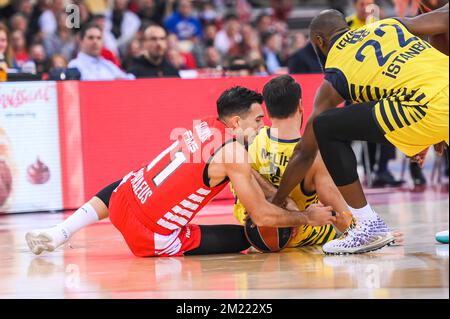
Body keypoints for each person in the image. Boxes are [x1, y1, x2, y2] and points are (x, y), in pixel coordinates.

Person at [25, 87, 336, 257]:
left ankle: (60, 232)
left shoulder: (206, 124)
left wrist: (276, 195)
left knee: (130, 180)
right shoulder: (234, 153)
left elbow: (242, 171)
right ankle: (60, 233)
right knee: (253, 236)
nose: (263, 125)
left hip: (122, 202)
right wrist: (307, 217)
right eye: (257, 120)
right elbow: (264, 216)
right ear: (237, 123)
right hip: (151, 237)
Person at [271, 6, 449, 254]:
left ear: (320, 42)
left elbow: (305, 151)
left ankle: (368, 226)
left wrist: (277, 200)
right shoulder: (388, 25)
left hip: (426, 105)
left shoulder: (336, 73)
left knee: (326, 126)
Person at [233, 75, 354, 247]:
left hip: (252, 234)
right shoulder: (313, 155)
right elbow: (342, 216)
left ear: (266, 110)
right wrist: (377, 234)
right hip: (299, 238)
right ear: (301, 105)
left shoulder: (249, 139)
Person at [68, 23, 134, 81]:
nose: (95, 42)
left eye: (99, 38)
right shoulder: (75, 65)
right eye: (91, 38)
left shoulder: (107, 64)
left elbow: (129, 79)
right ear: (81, 41)